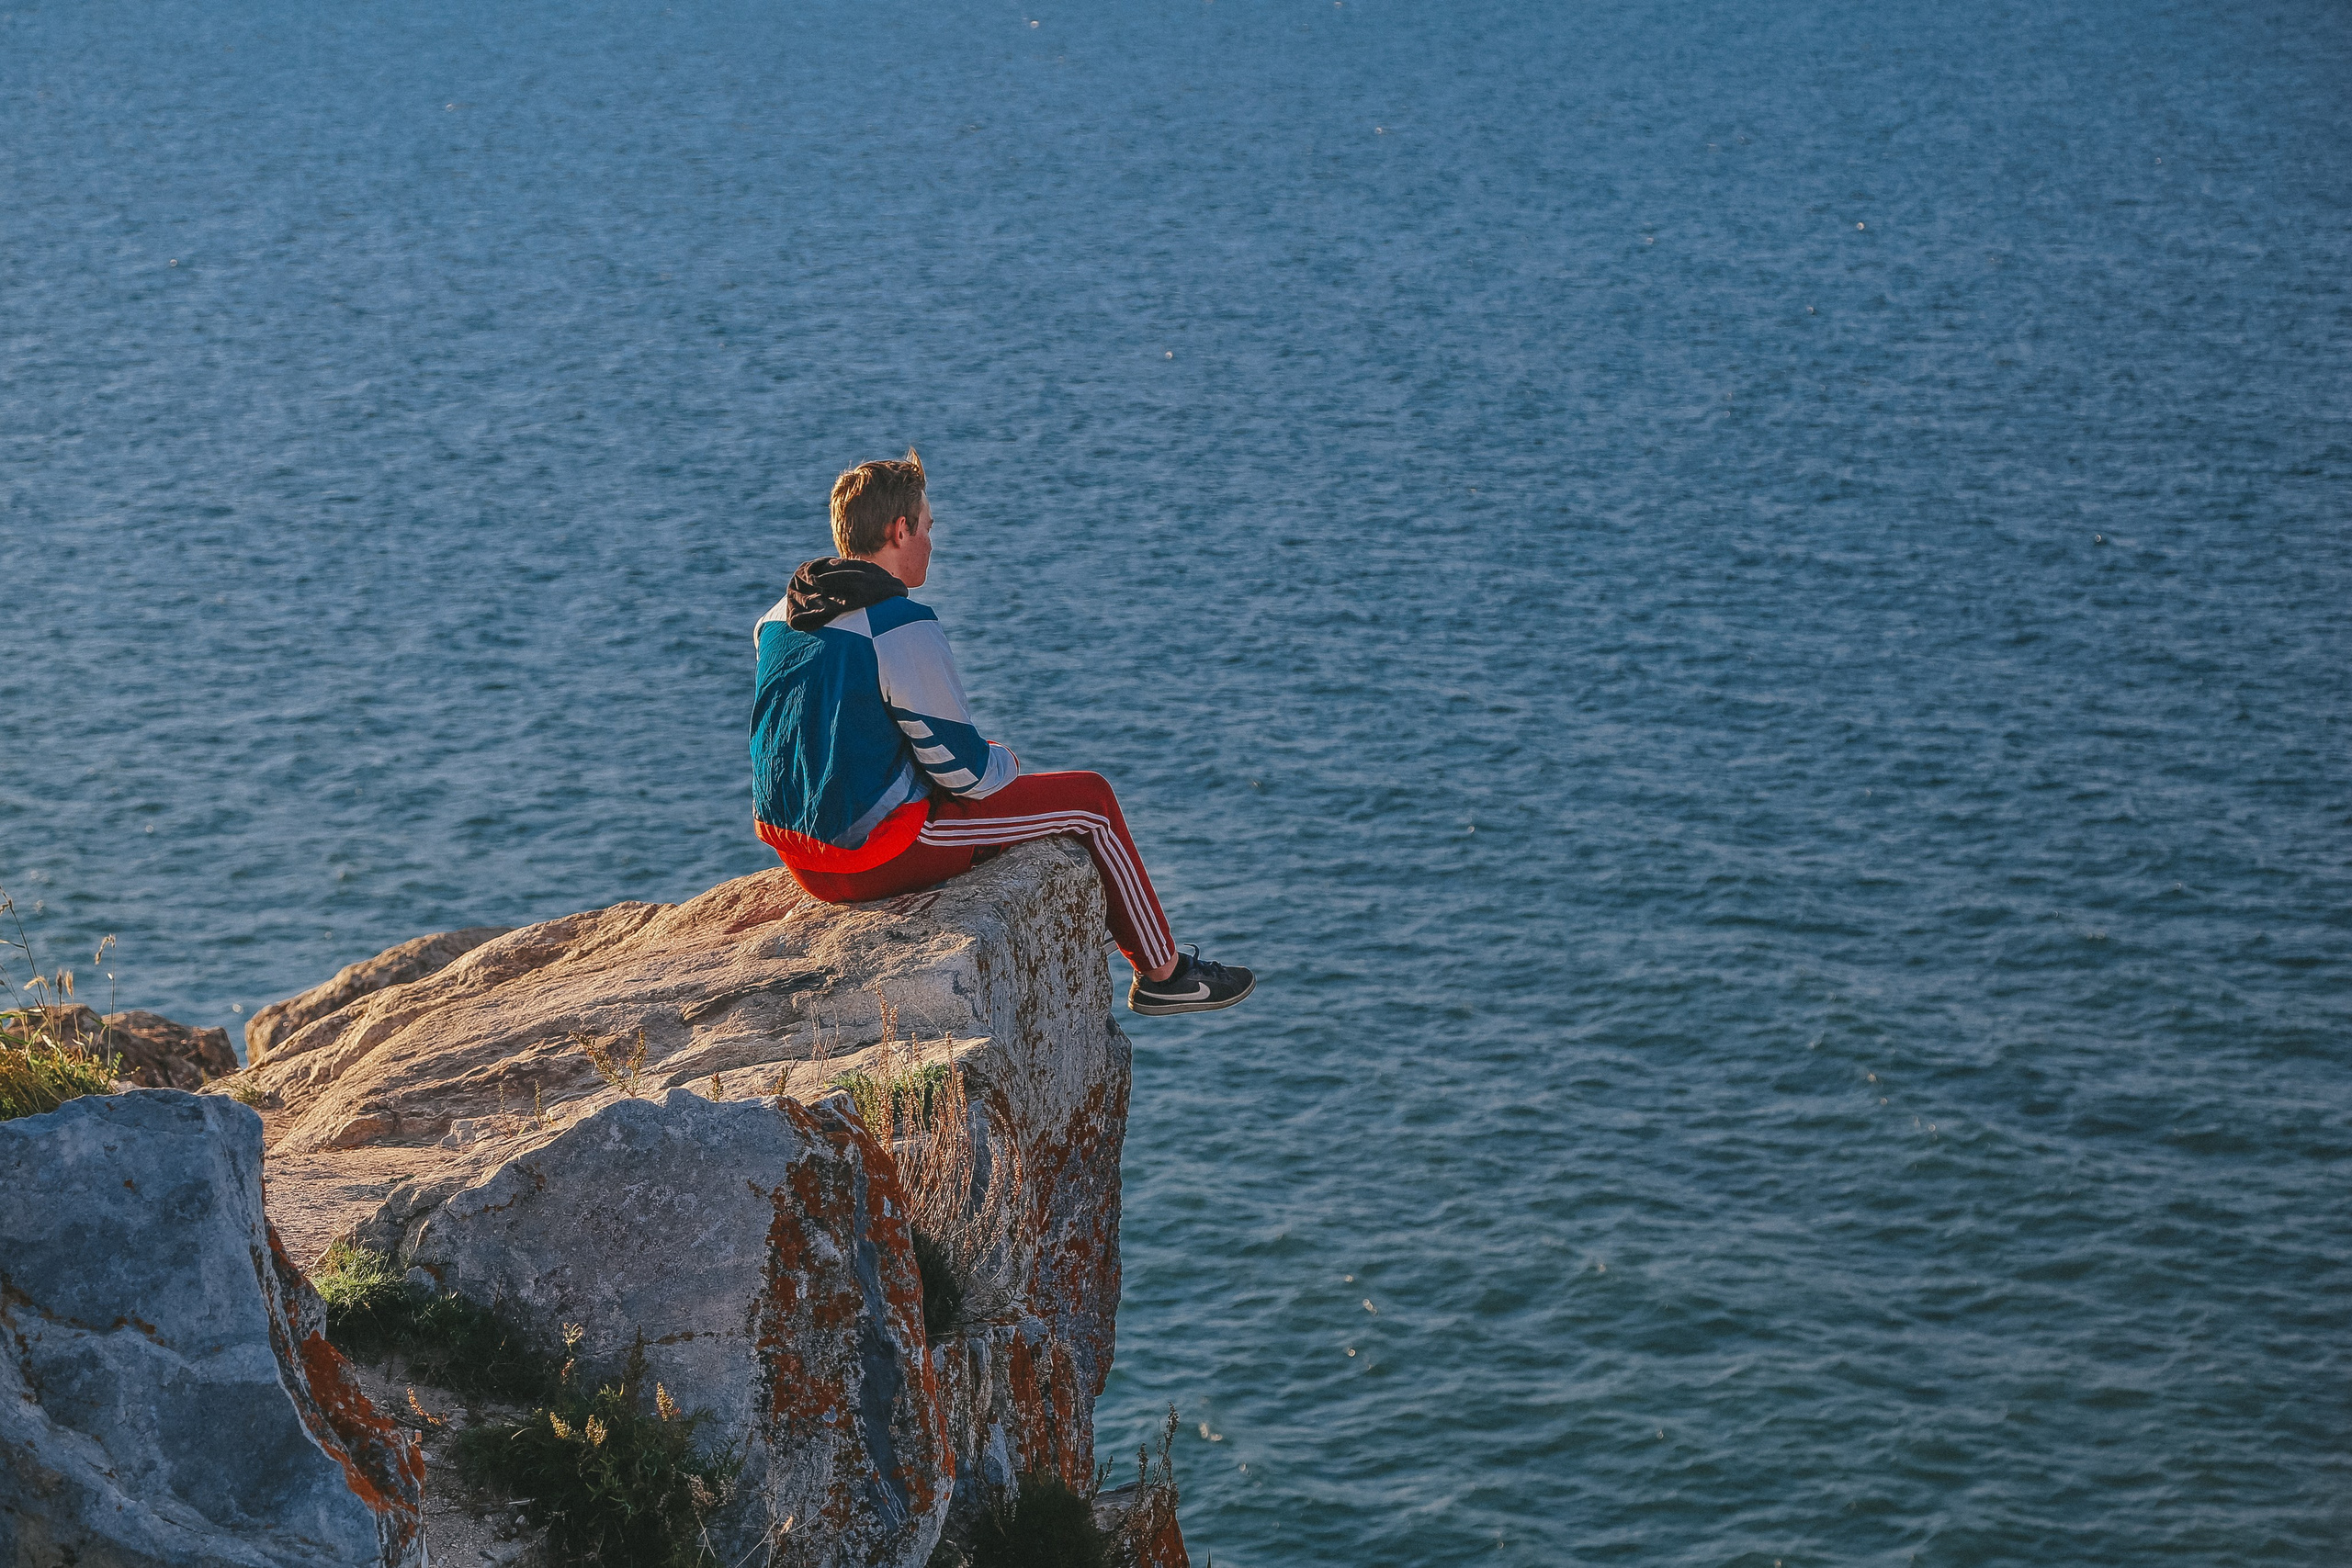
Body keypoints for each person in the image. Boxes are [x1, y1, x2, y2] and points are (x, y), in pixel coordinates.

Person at [750, 448, 1253, 1016]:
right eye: (928, 528)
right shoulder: (898, 625)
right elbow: (965, 776)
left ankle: (1164, 971)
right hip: (872, 855)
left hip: (800, 856)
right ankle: (1165, 973)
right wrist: (1003, 759)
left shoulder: (779, 617)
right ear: (899, 529)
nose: (933, 544)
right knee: (1091, 801)